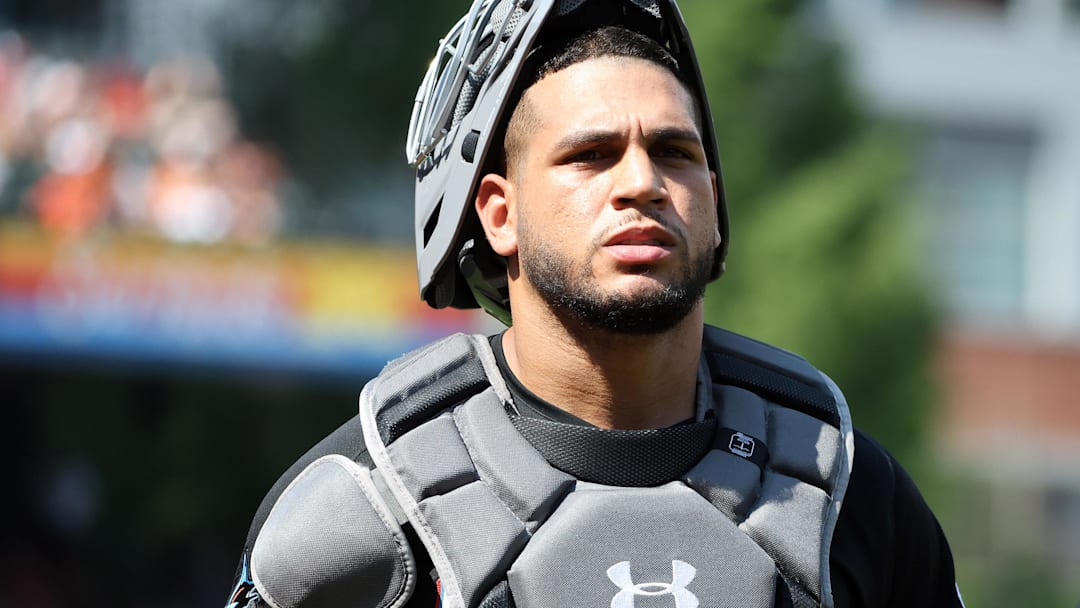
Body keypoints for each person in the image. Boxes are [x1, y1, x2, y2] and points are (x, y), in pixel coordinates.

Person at [225, 1, 964, 607]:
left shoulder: (849, 497)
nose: (640, 182)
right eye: (591, 155)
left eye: (675, 152)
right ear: (497, 213)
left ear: (713, 201)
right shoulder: (361, 508)